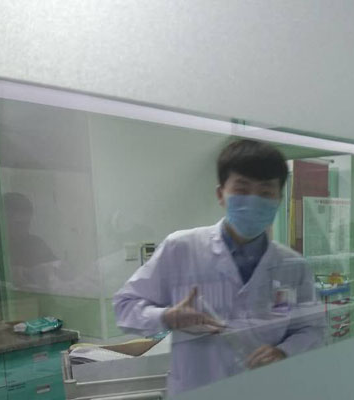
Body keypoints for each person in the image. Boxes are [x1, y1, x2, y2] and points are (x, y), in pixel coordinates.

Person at [113, 139, 324, 395]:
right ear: (220, 194)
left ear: (279, 199)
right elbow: (125, 307)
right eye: (242, 189)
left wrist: (284, 351)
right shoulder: (180, 248)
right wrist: (166, 317)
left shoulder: (292, 265)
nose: (253, 200)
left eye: (266, 192)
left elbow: (311, 328)